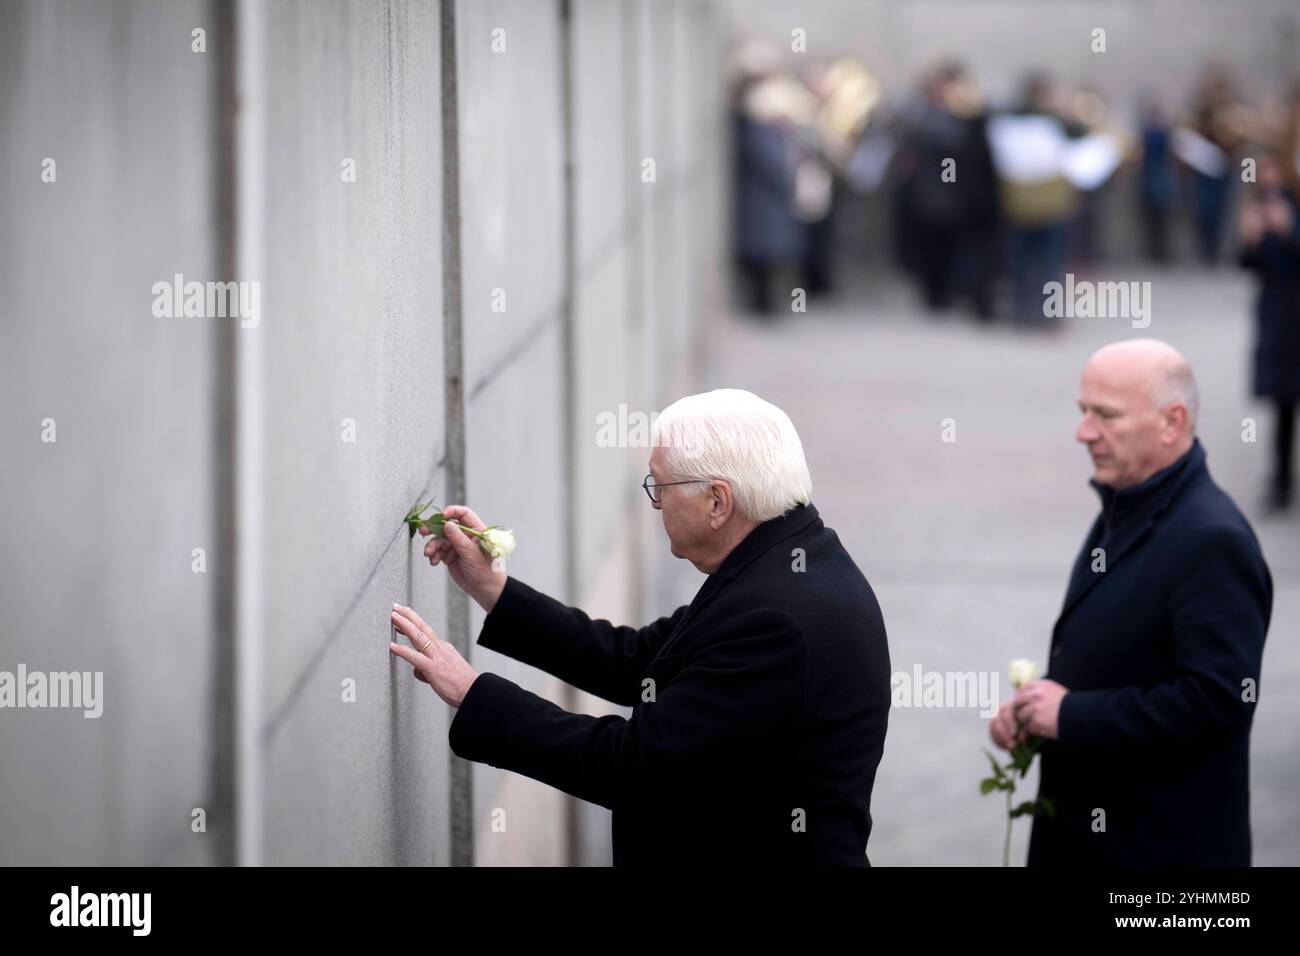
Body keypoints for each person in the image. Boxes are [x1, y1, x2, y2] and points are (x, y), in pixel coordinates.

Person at [390, 389, 892, 866]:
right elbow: (636, 660)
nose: (655, 504)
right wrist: (494, 590)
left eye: (660, 486)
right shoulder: (780, 562)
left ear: (718, 502)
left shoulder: (776, 617)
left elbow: (636, 767)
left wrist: (474, 692)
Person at [991, 339, 1272, 866]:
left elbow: (1218, 703)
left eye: (1106, 416)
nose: (1083, 432)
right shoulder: (1130, 499)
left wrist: (1071, 715)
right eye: (1082, 412)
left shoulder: (1212, 539)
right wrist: (1037, 712)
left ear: (1171, 422)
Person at [1238, 149, 1300, 511]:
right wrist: (1251, 238)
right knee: (1283, 403)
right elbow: (1247, 264)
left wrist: (1289, 230)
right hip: (1276, 315)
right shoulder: (1261, 206)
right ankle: (1280, 480)